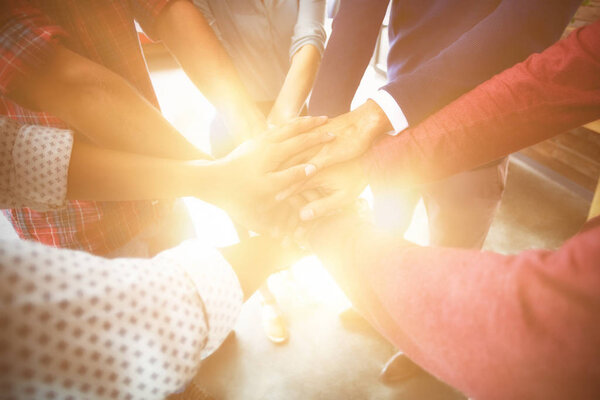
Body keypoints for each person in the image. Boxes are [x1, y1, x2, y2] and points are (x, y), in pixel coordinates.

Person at [301, 19, 600, 400]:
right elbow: (559, 76)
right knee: (390, 222)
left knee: (454, 247)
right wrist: (364, 157)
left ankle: (424, 352)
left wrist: (329, 232)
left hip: (471, 149)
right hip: (399, 128)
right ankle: (390, 317)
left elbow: (556, 334)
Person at [0, 115, 327, 400]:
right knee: (133, 360)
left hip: (159, 199)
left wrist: (216, 179)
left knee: (177, 349)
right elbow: (147, 320)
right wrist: (279, 246)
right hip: (83, 229)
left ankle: (185, 384)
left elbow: (24, 158)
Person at [0, 0, 268, 258]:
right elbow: (63, 82)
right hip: (86, 239)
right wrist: (223, 180)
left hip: (165, 193)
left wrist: (255, 135)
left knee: (202, 293)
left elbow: (166, 7)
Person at [192, 0, 326, 343]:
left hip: (292, 111)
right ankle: (267, 298)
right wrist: (260, 138)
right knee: (248, 218)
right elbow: (206, 54)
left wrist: (278, 130)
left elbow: (310, 35)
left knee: (295, 208)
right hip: (234, 117)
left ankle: (289, 268)